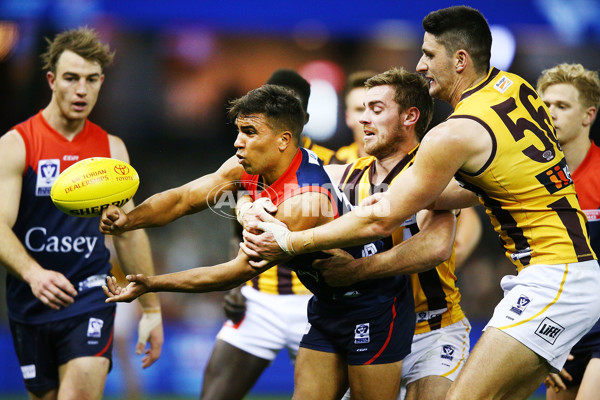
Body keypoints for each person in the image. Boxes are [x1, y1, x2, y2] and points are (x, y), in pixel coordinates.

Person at [241, 6, 600, 400]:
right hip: (565, 274)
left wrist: (291, 243)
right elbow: (497, 183)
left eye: (429, 55)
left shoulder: (455, 133)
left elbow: (382, 219)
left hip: (552, 277)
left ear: (460, 60)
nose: (421, 64)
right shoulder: (515, 88)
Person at [100, 83, 453, 400]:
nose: (238, 142)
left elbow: (235, 273)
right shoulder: (250, 166)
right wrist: (129, 220)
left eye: (250, 132)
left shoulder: (304, 200)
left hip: (375, 307)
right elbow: (184, 198)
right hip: (328, 304)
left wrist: (152, 284)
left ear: (283, 140)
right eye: (238, 131)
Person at [0, 27, 163, 400]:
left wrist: (151, 309)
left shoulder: (111, 150)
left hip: (92, 295)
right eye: (71, 78)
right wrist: (33, 273)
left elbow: (130, 231)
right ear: (52, 80)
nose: (81, 90)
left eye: (91, 80)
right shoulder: (16, 145)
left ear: (101, 82)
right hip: (32, 300)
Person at [316, 67, 470, 400]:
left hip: (431, 329)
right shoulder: (343, 176)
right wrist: (250, 207)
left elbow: (436, 245)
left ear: (409, 116)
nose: (363, 120)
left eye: (376, 110)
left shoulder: (435, 175)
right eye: (361, 110)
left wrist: (355, 271)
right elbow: (278, 184)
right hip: (367, 324)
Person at [202, 69, 318, 400]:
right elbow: (237, 227)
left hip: (312, 302)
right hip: (257, 301)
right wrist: (237, 284)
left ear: (303, 117)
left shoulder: (331, 166)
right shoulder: (247, 162)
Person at [536, 63, 600, 400]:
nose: (550, 114)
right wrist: (546, 345)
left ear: (588, 115)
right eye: (545, 106)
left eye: (561, 106)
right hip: (565, 330)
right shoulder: (533, 181)